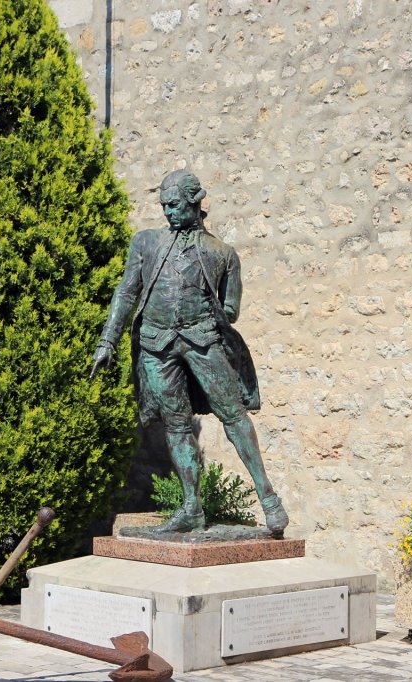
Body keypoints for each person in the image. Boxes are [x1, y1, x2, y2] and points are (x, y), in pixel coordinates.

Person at [91, 170, 289, 537]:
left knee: (235, 415)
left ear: (195, 203)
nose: (168, 212)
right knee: (177, 426)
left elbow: (232, 308)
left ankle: (270, 500)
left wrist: (219, 314)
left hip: (203, 341)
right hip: (155, 345)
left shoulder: (222, 254)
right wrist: (108, 340)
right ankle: (191, 510)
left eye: (175, 205)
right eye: (164, 205)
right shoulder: (146, 243)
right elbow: (126, 292)